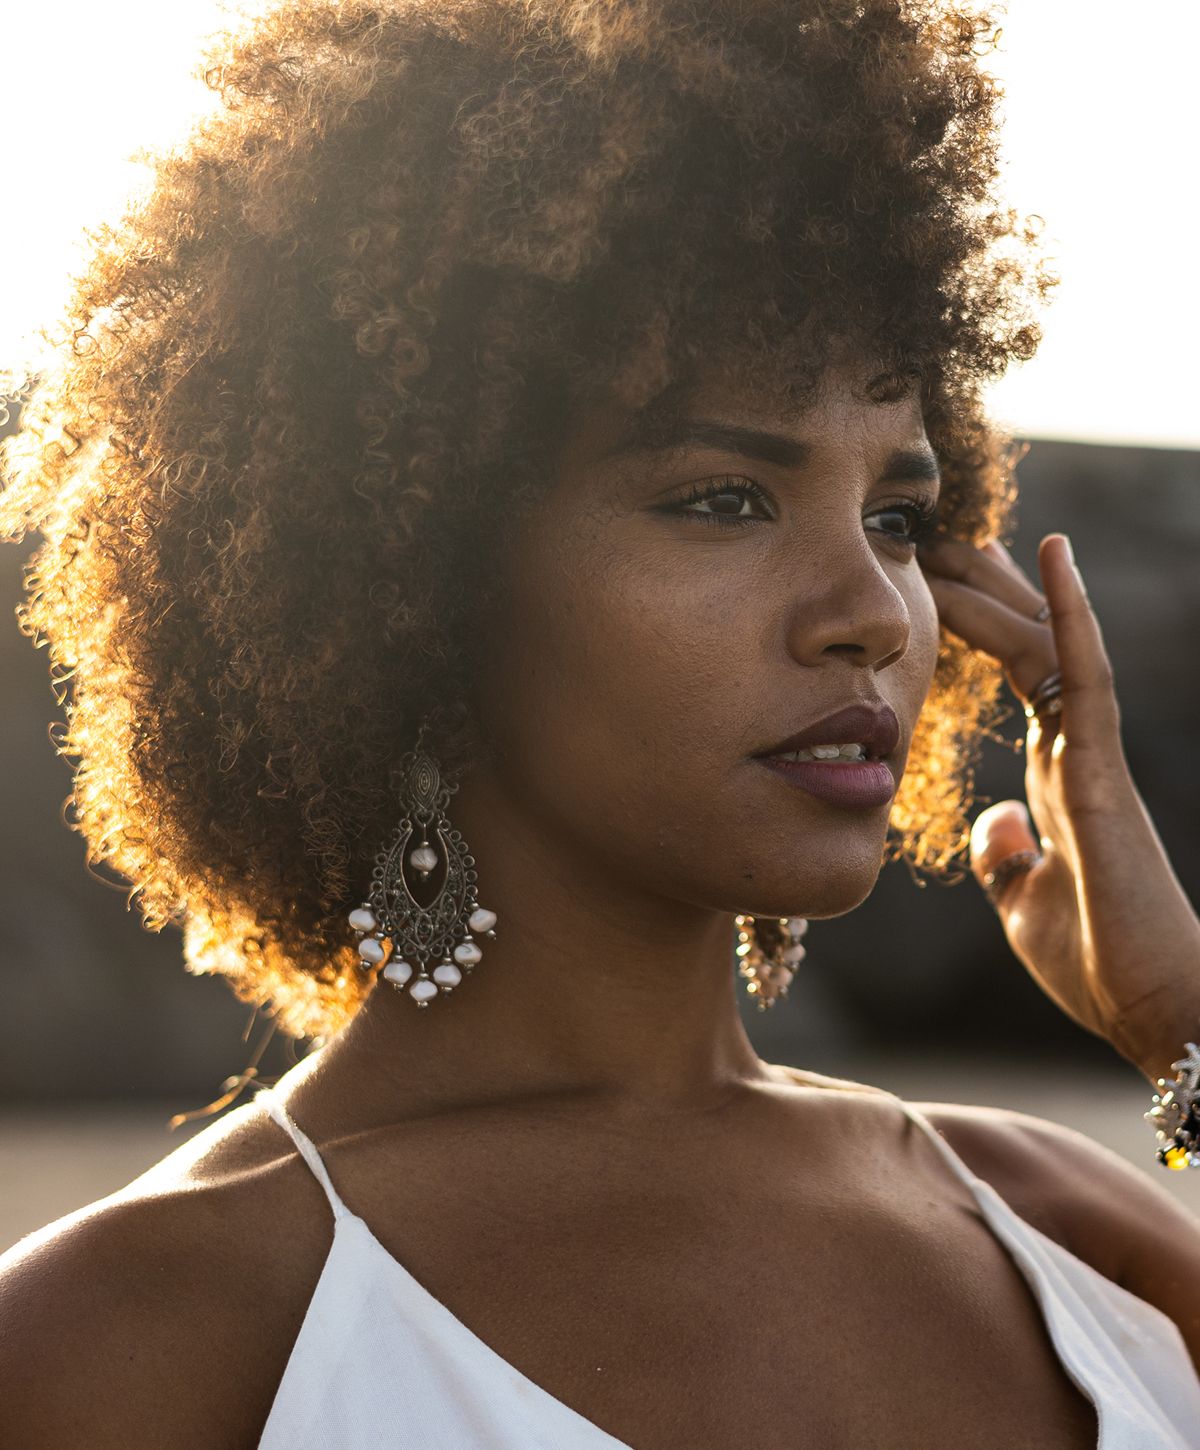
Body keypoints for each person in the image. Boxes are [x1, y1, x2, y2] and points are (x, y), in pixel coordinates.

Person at [1, 0, 1198, 1445]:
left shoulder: (1067, 1235)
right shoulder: (134, 1340)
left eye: (899, 514)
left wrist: (1181, 1015)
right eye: (722, 499)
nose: (875, 610)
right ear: (413, 576)